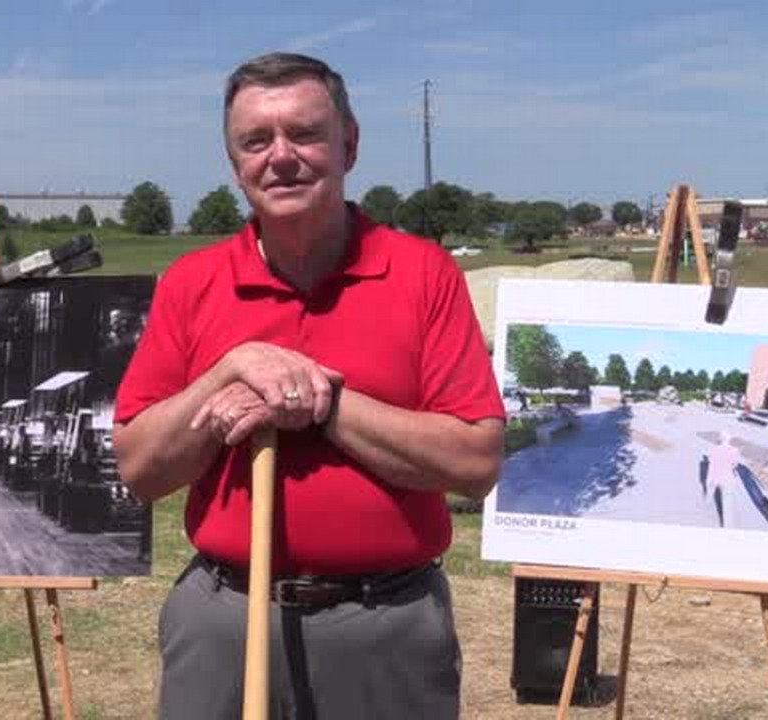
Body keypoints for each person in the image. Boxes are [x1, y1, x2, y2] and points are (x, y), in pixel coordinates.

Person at [113, 52, 505, 719]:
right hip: (225, 621)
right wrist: (228, 373)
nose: (281, 156)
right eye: (256, 141)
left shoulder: (423, 274)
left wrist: (323, 403)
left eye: (305, 133)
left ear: (348, 144)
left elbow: (474, 462)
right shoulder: (192, 283)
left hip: (387, 625)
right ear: (234, 160)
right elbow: (140, 471)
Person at [704, 431, 741, 528]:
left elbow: (709, 459)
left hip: (714, 476)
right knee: (727, 503)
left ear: (720, 438)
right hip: (728, 478)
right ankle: (727, 525)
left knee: (710, 491)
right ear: (730, 439)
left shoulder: (713, 448)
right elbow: (735, 464)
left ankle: (707, 505)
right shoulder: (735, 450)